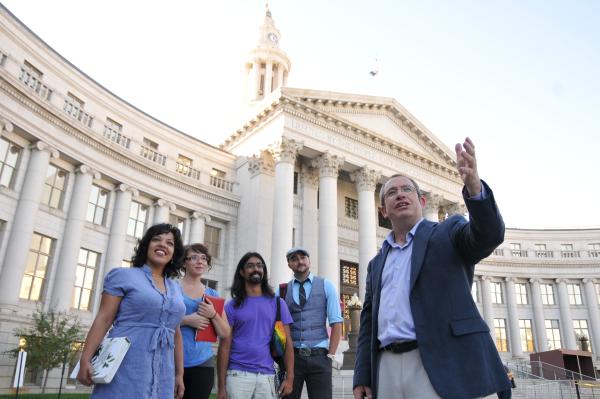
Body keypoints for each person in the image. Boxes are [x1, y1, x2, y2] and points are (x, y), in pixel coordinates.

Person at [353, 138, 512, 399]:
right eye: (392, 192)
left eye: (407, 190)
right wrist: (362, 376)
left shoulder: (448, 232)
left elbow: (489, 235)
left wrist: (473, 186)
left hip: (435, 363)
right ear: (383, 211)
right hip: (386, 367)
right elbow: (368, 323)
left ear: (422, 202)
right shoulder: (376, 264)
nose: (400, 194)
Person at [77, 223, 186, 398]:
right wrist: (85, 359)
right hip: (127, 362)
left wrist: (179, 374)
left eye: (170, 243)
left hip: (164, 369)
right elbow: (104, 319)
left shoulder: (176, 288)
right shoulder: (122, 276)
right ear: (146, 246)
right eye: (156, 239)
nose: (162, 245)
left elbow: (176, 333)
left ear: (174, 253)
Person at [217, 252, 294, 399]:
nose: (256, 269)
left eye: (260, 266)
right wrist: (221, 386)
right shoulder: (231, 306)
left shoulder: (278, 303)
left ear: (264, 271)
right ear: (242, 272)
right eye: (250, 266)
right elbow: (224, 346)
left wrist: (290, 378)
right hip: (237, 375)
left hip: (267, 376)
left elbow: (287, 342)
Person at [280, 247, 343, 399]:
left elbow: (336, 323)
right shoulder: (282, 290)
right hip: (291, 358)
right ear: (289, 264)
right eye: (294, 259)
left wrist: (331, 356)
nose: (299, 261)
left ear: (309, 260)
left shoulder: (326, 285)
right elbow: (278, 327)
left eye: (302, 257)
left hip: (320, 357)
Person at [178, 243, 230, 399]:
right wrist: (186, 320)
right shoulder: (171, 288)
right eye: (194, 257)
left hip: (202, 364)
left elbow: (225, 332)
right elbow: (157, 321)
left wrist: (213, 314)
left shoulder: (212, 294)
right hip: (171, 361)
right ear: (184, 262)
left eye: (203, 258)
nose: (200, 261)